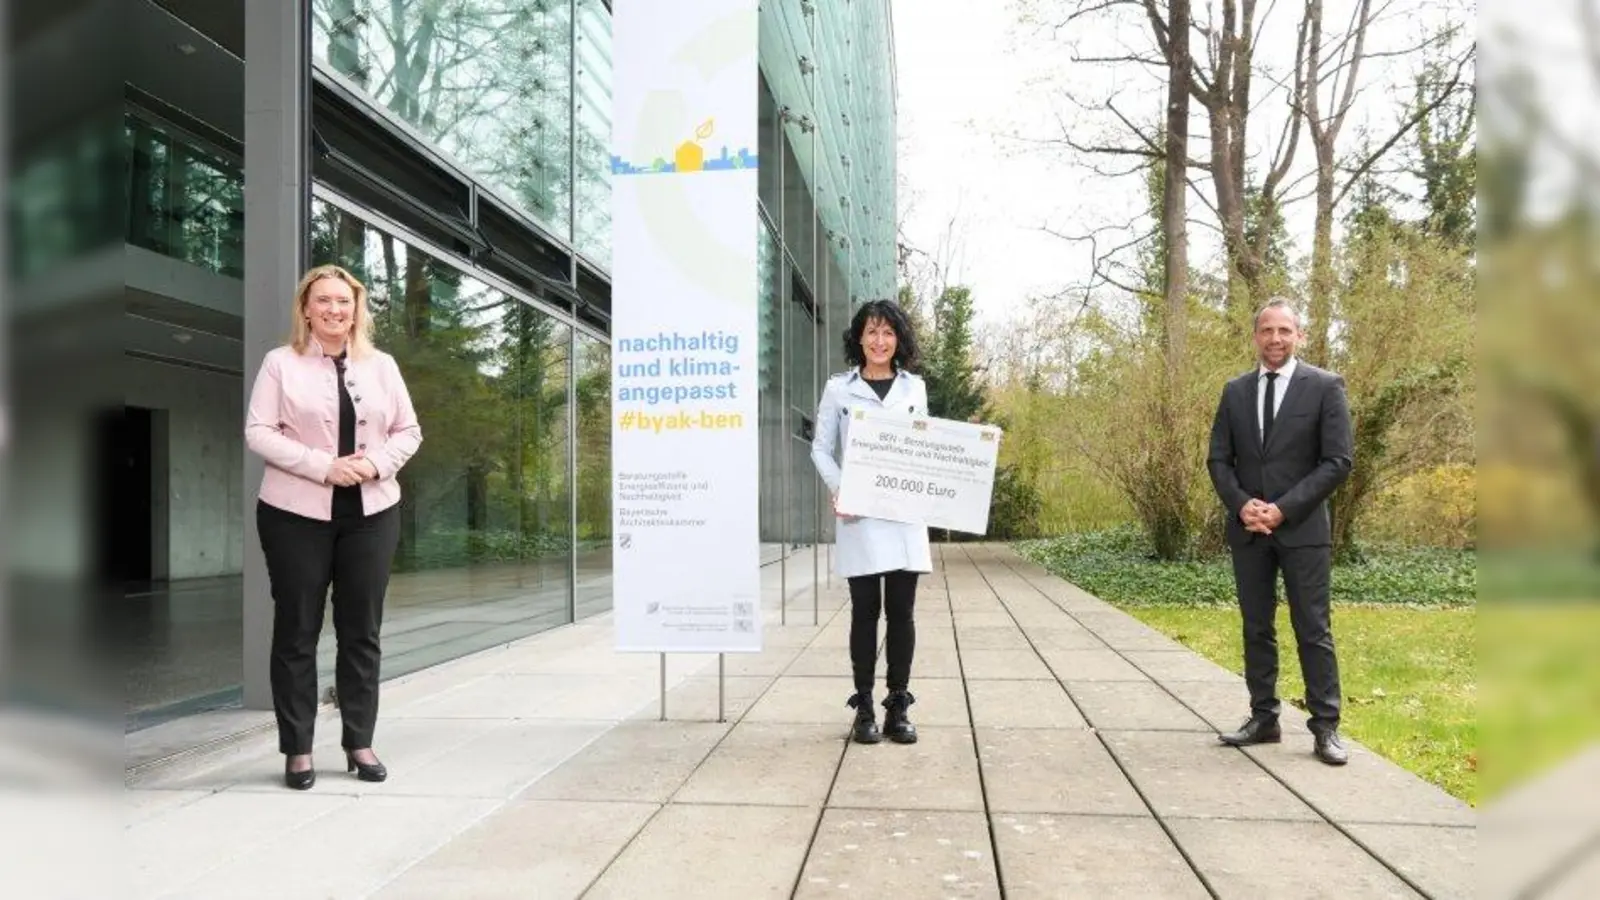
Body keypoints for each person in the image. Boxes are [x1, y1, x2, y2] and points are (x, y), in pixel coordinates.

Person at [245, 264, 422, 789]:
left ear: (356, 308)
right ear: (306, 309)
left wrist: (372, 465)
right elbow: (258, 431)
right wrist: (324, 466)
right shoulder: (280, 363)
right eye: (323, 300)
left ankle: (359, 742)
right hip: (294, 514)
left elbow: (408, 430)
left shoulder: (383, 366)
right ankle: (297, 749)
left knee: (361, 632)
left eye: (344, 301)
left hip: (371, 514)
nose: (334, 310)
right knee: (297, 630)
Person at [1206, 298, 1354, 766]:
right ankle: (1263, 717)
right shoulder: (1235, 391)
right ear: (1255, 336)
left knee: (1312, 628)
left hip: (1303, 530)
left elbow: (1337, 461)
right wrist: (1241, 503)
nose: (1275, 339)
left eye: (1284, 331)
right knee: (1256, 626)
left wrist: (1283, 509)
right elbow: (1218, 459)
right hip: (1249, 531)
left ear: (1299, 335)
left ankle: (1325, 727)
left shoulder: (1325, 387)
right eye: (1267, 331)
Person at [810, 299, 932, 745]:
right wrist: (841, 487)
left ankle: (897, 704)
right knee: (865, 611)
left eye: (888, 333)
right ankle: (862, 705)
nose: (880, 341)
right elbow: (821, 447)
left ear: (898, 340)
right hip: (859, 515)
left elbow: (926, 446)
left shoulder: (914, 389)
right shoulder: (838, 389)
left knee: (901, 612)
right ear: (859, 338)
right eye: (872, 332)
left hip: (904, 517)